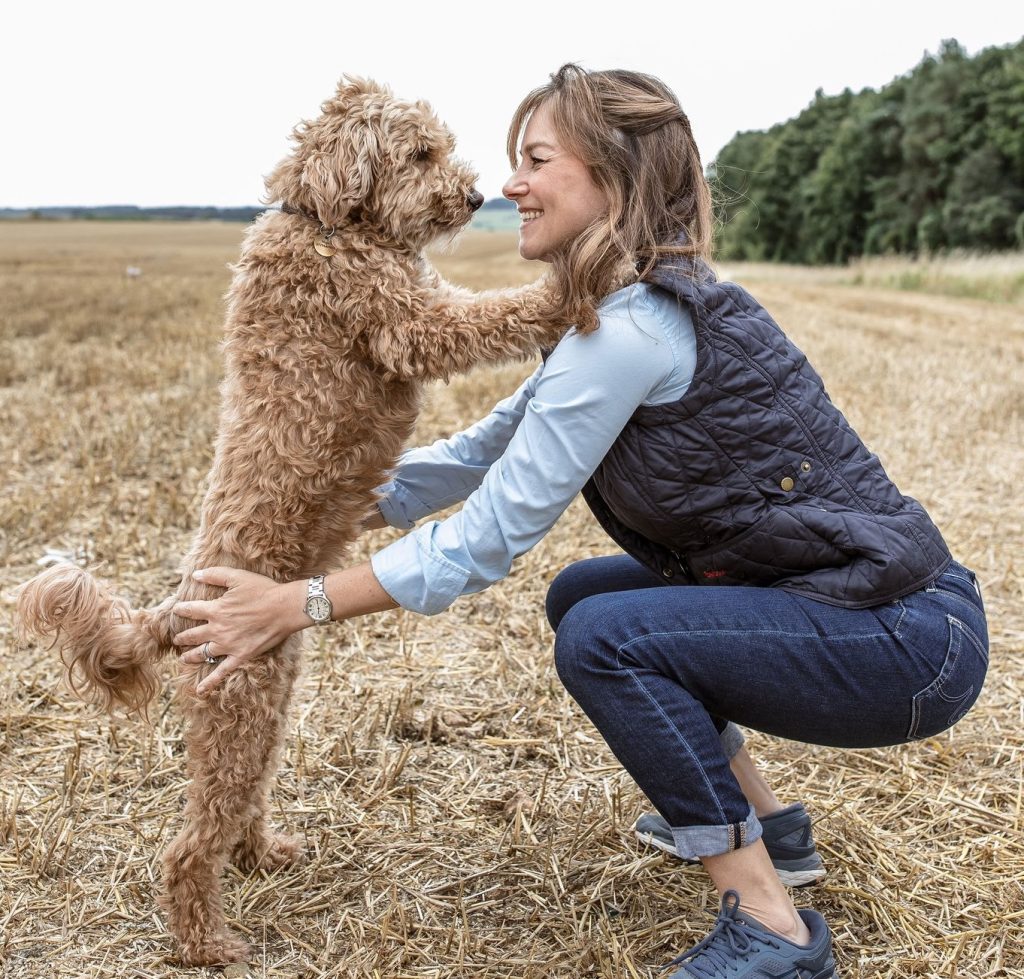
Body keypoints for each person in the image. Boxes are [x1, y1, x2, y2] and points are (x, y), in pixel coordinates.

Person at [171, 65, 989, 978]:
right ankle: (771, 830)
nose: (507, 183)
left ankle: (771, 925)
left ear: (613, 177)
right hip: (869, 607)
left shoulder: (628, 328)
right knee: (586, 590)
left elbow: (484, 540)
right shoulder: (629, 300)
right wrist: (341, 495)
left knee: (606, 638)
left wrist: (297, 602)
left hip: (913, 643)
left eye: (536, 159)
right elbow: (498, 439)